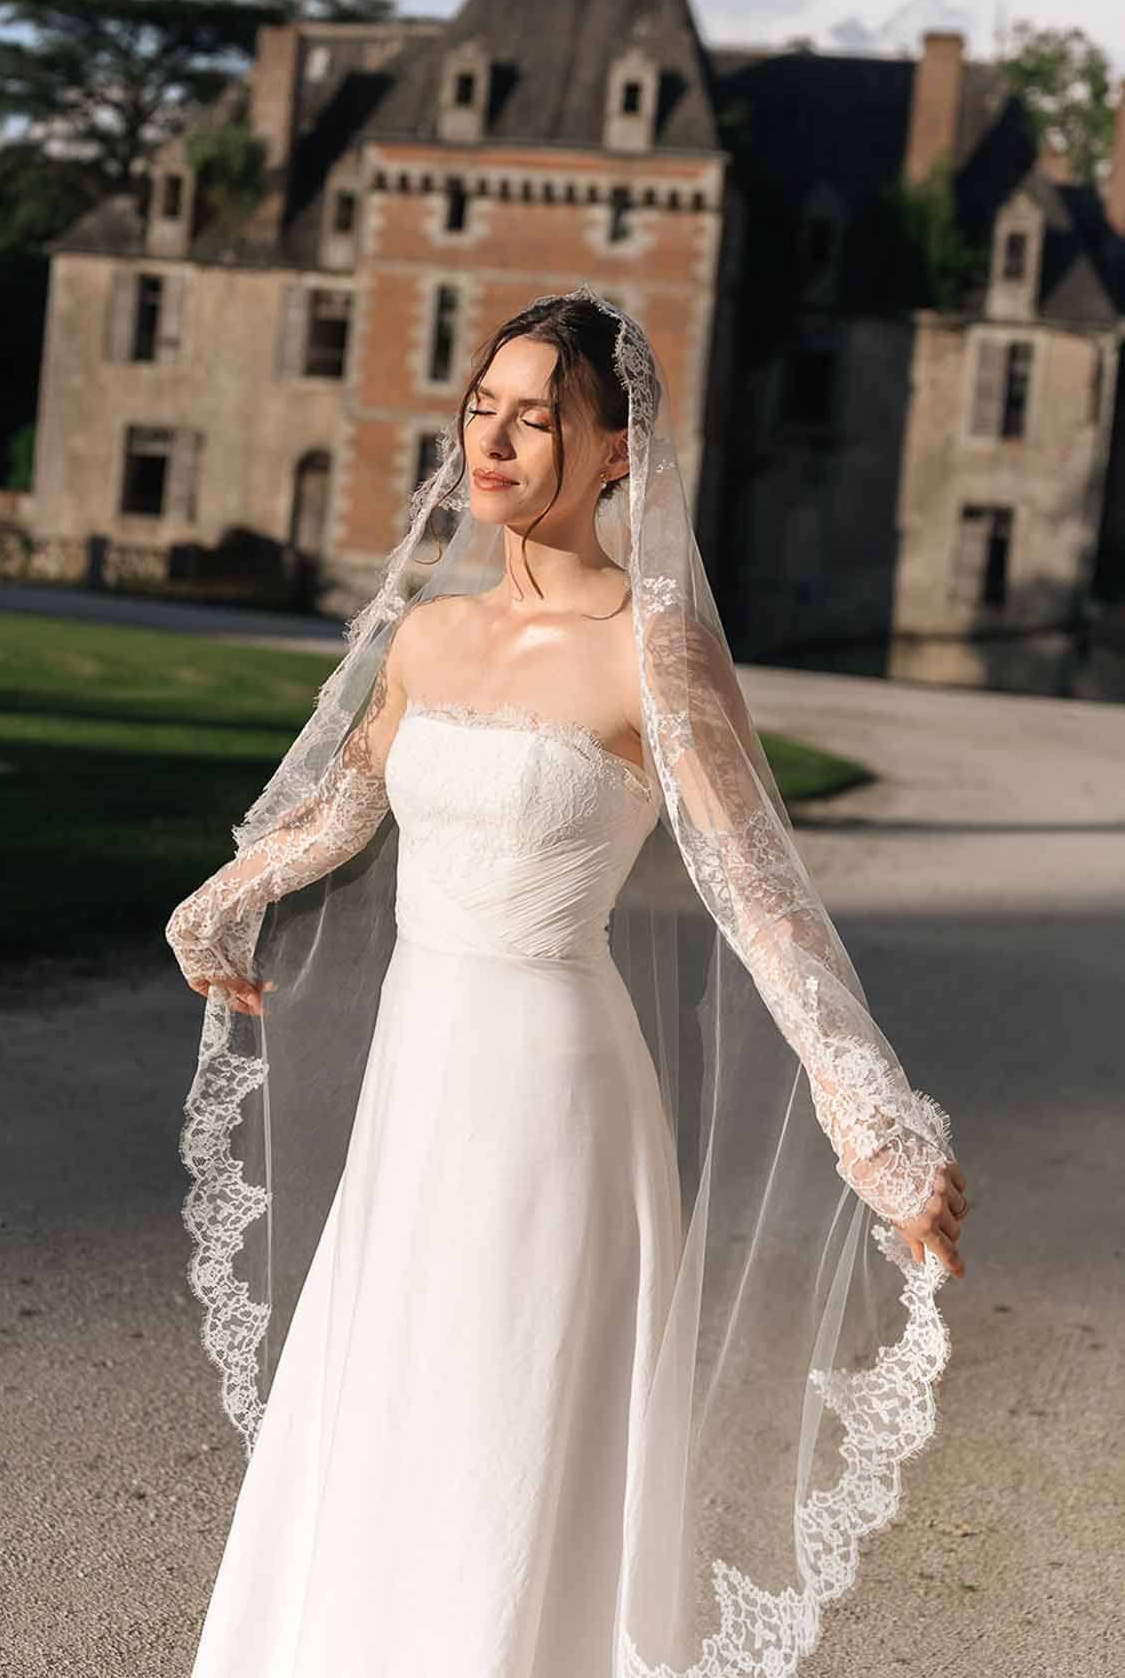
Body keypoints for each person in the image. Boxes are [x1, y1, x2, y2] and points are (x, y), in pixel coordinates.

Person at [165, 288, 970, 1678]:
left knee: (509, 1419)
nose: (496, 439)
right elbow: (344, 810)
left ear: (615, 454)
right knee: (394, 1398)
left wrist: (869, 1117)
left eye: (538, 417)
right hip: (417, 1086)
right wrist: (222, 902)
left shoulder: (649, 648)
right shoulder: (427, 635)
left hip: (551, 1096)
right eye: (482, 408)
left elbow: (757, 897)